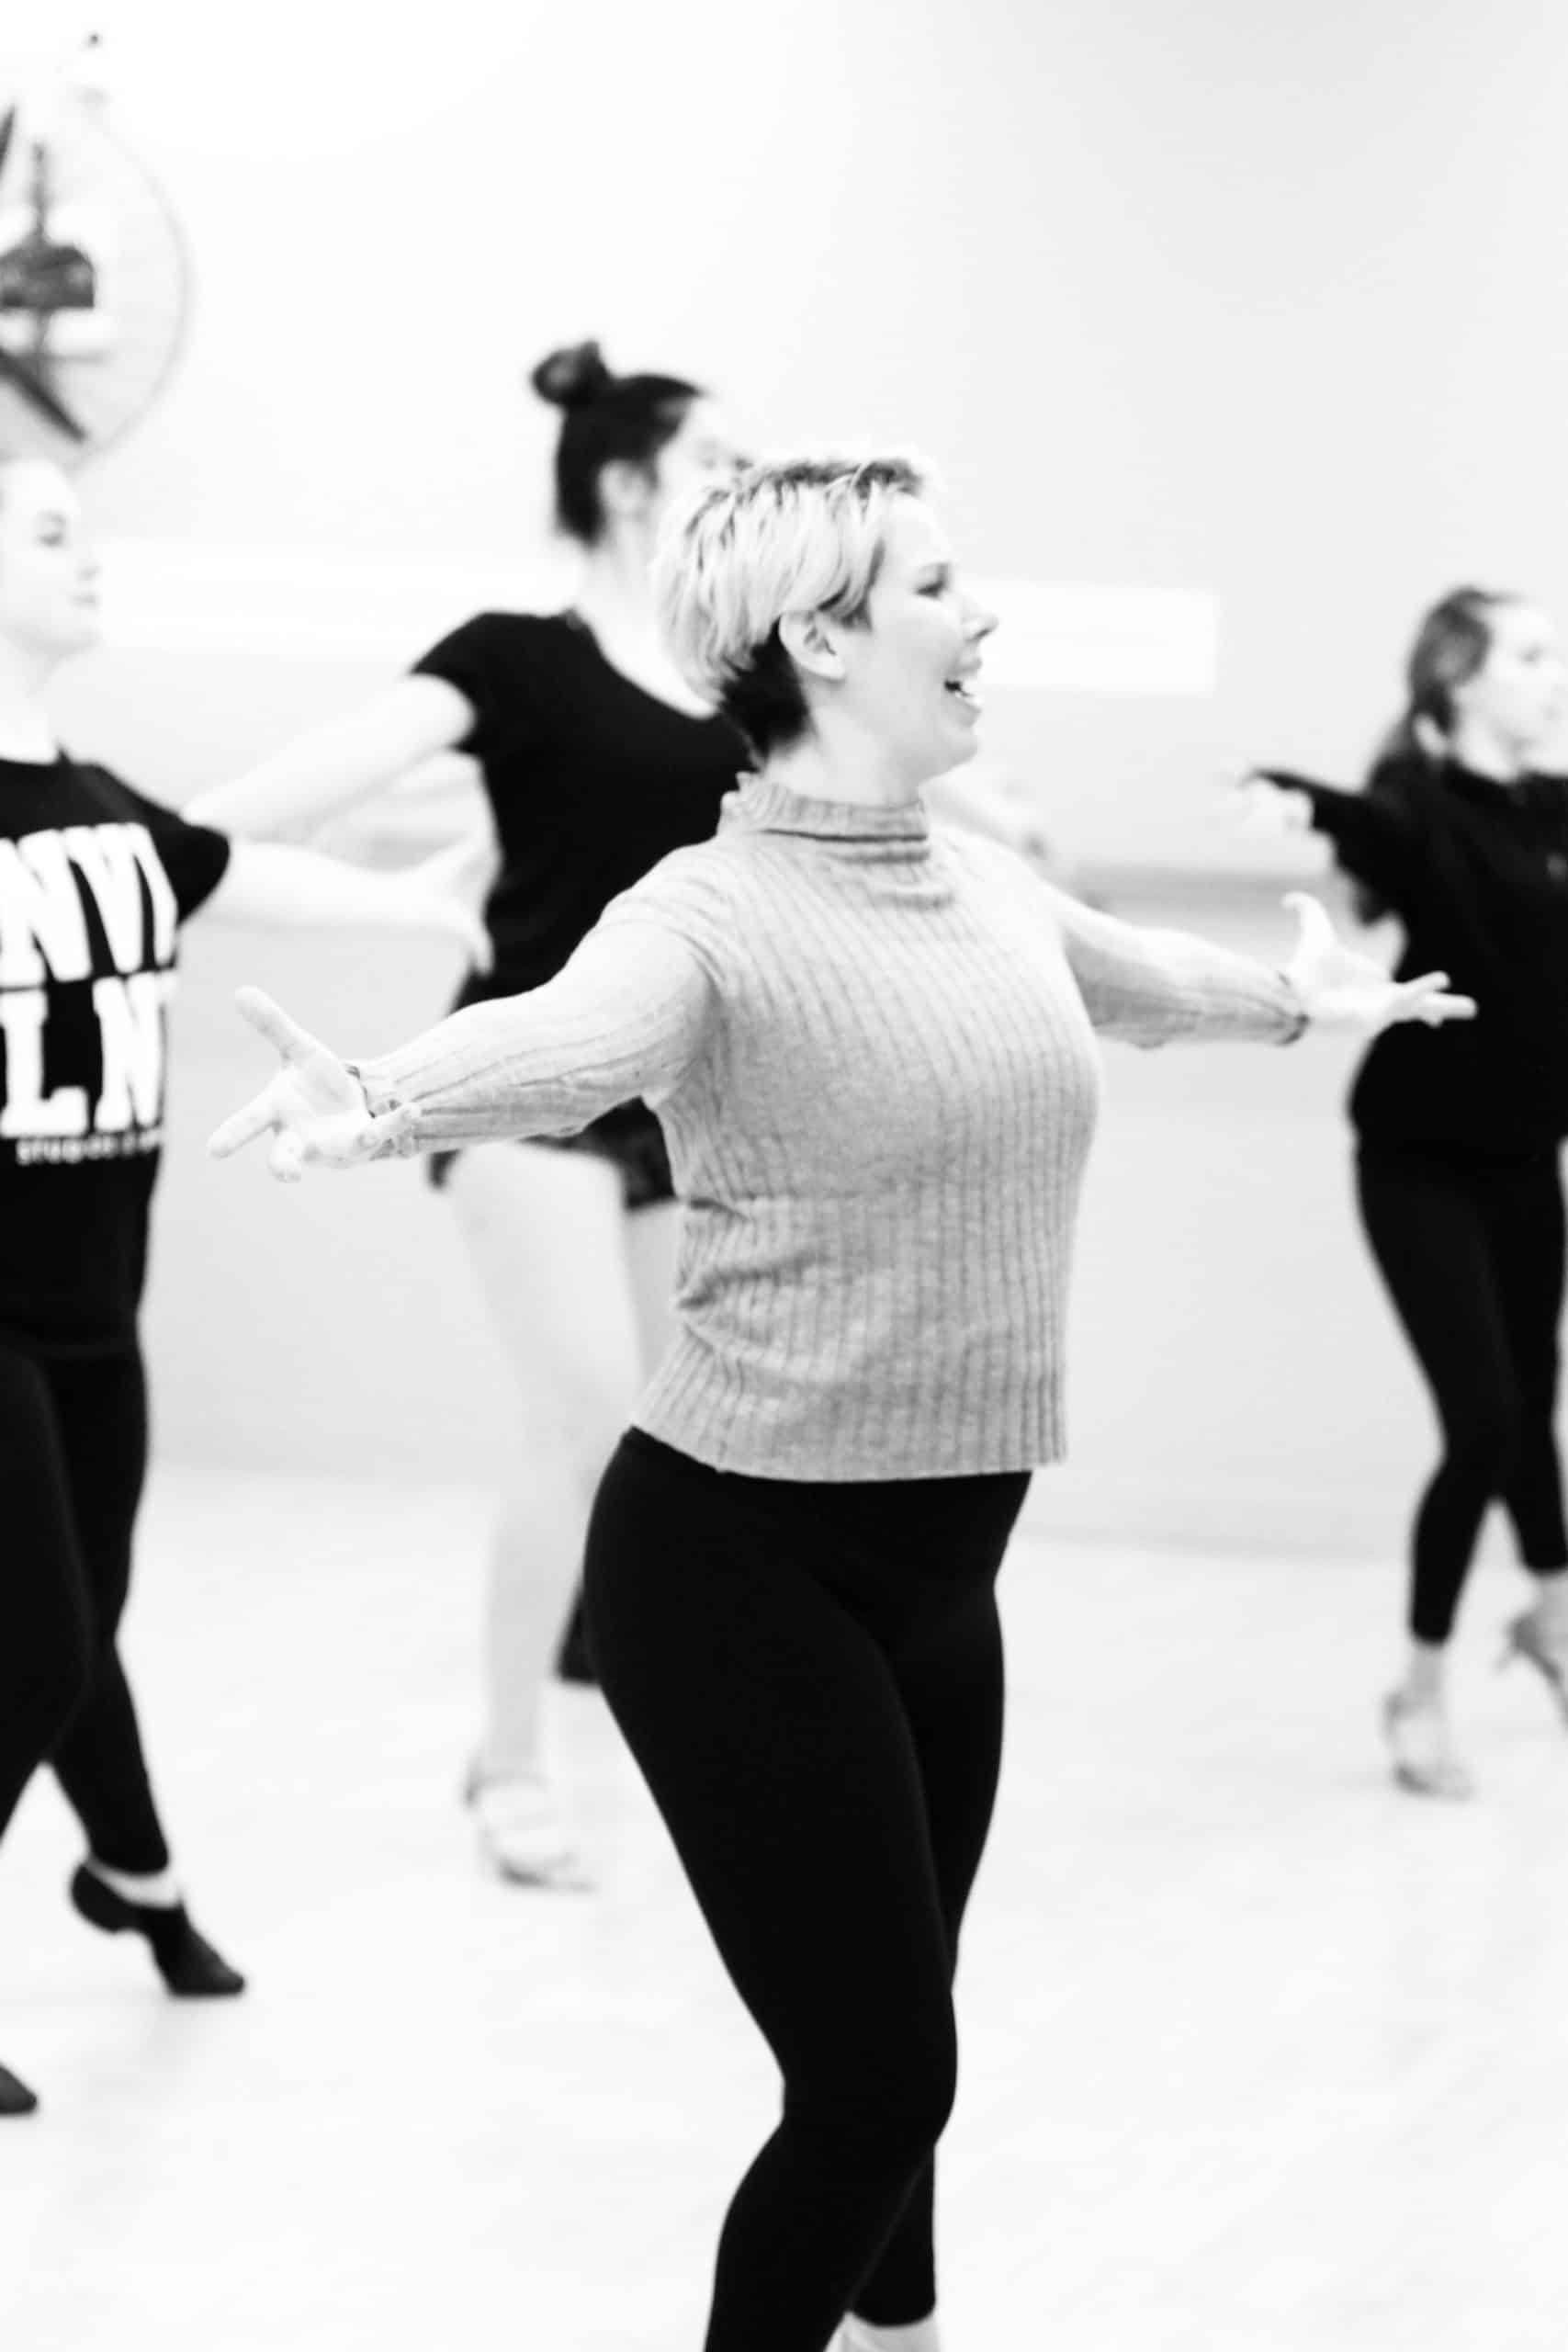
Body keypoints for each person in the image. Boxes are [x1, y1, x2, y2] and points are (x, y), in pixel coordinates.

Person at [209, 453, 1472, 2352]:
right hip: (736, 1568)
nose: (982, 616)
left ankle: (905, 2334)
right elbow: (562, 1037)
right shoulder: (704, 913)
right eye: (936, 584)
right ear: (816, 634)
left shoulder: (981, 881)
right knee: (877, 2082)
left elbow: (1136, 980)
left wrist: (1304, 1005)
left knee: (902, 2042)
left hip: (942, 1573)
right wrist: (382, 1099)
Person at [189, 342, 1055, 1891]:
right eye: (713, 454)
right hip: (524, 1083)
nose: (742, 472)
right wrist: (154, 845)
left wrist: (1015, 826)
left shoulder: (734, 673)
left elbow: (885, 773)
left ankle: (695, 1712)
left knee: (682, 1433)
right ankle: (510, 1763)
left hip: (687, 1102)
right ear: (626, 481)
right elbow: (336, 764)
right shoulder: (516, 659)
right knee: (581, 1418)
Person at [0, 455, 484, 2120]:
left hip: (95, 1305)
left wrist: (417, 905)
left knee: (75, 1625)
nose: (89, 556)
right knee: (34, 1640)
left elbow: (229, 869)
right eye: (48, 532)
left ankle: (133, 1874)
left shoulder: (100, 803)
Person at [1244, 586, 1568, 1800]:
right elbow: (1371, 827)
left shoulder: (1555, 807)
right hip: (1417, 1161)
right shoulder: (1421, 806)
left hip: (1527, 1157)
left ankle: (1553, 1619)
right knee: (1483, 1422)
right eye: (1529, 656)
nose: (1554, 676)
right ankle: (1420, 1693)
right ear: (1459, 679)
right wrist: (1298, 799)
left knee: (1533, 1405)